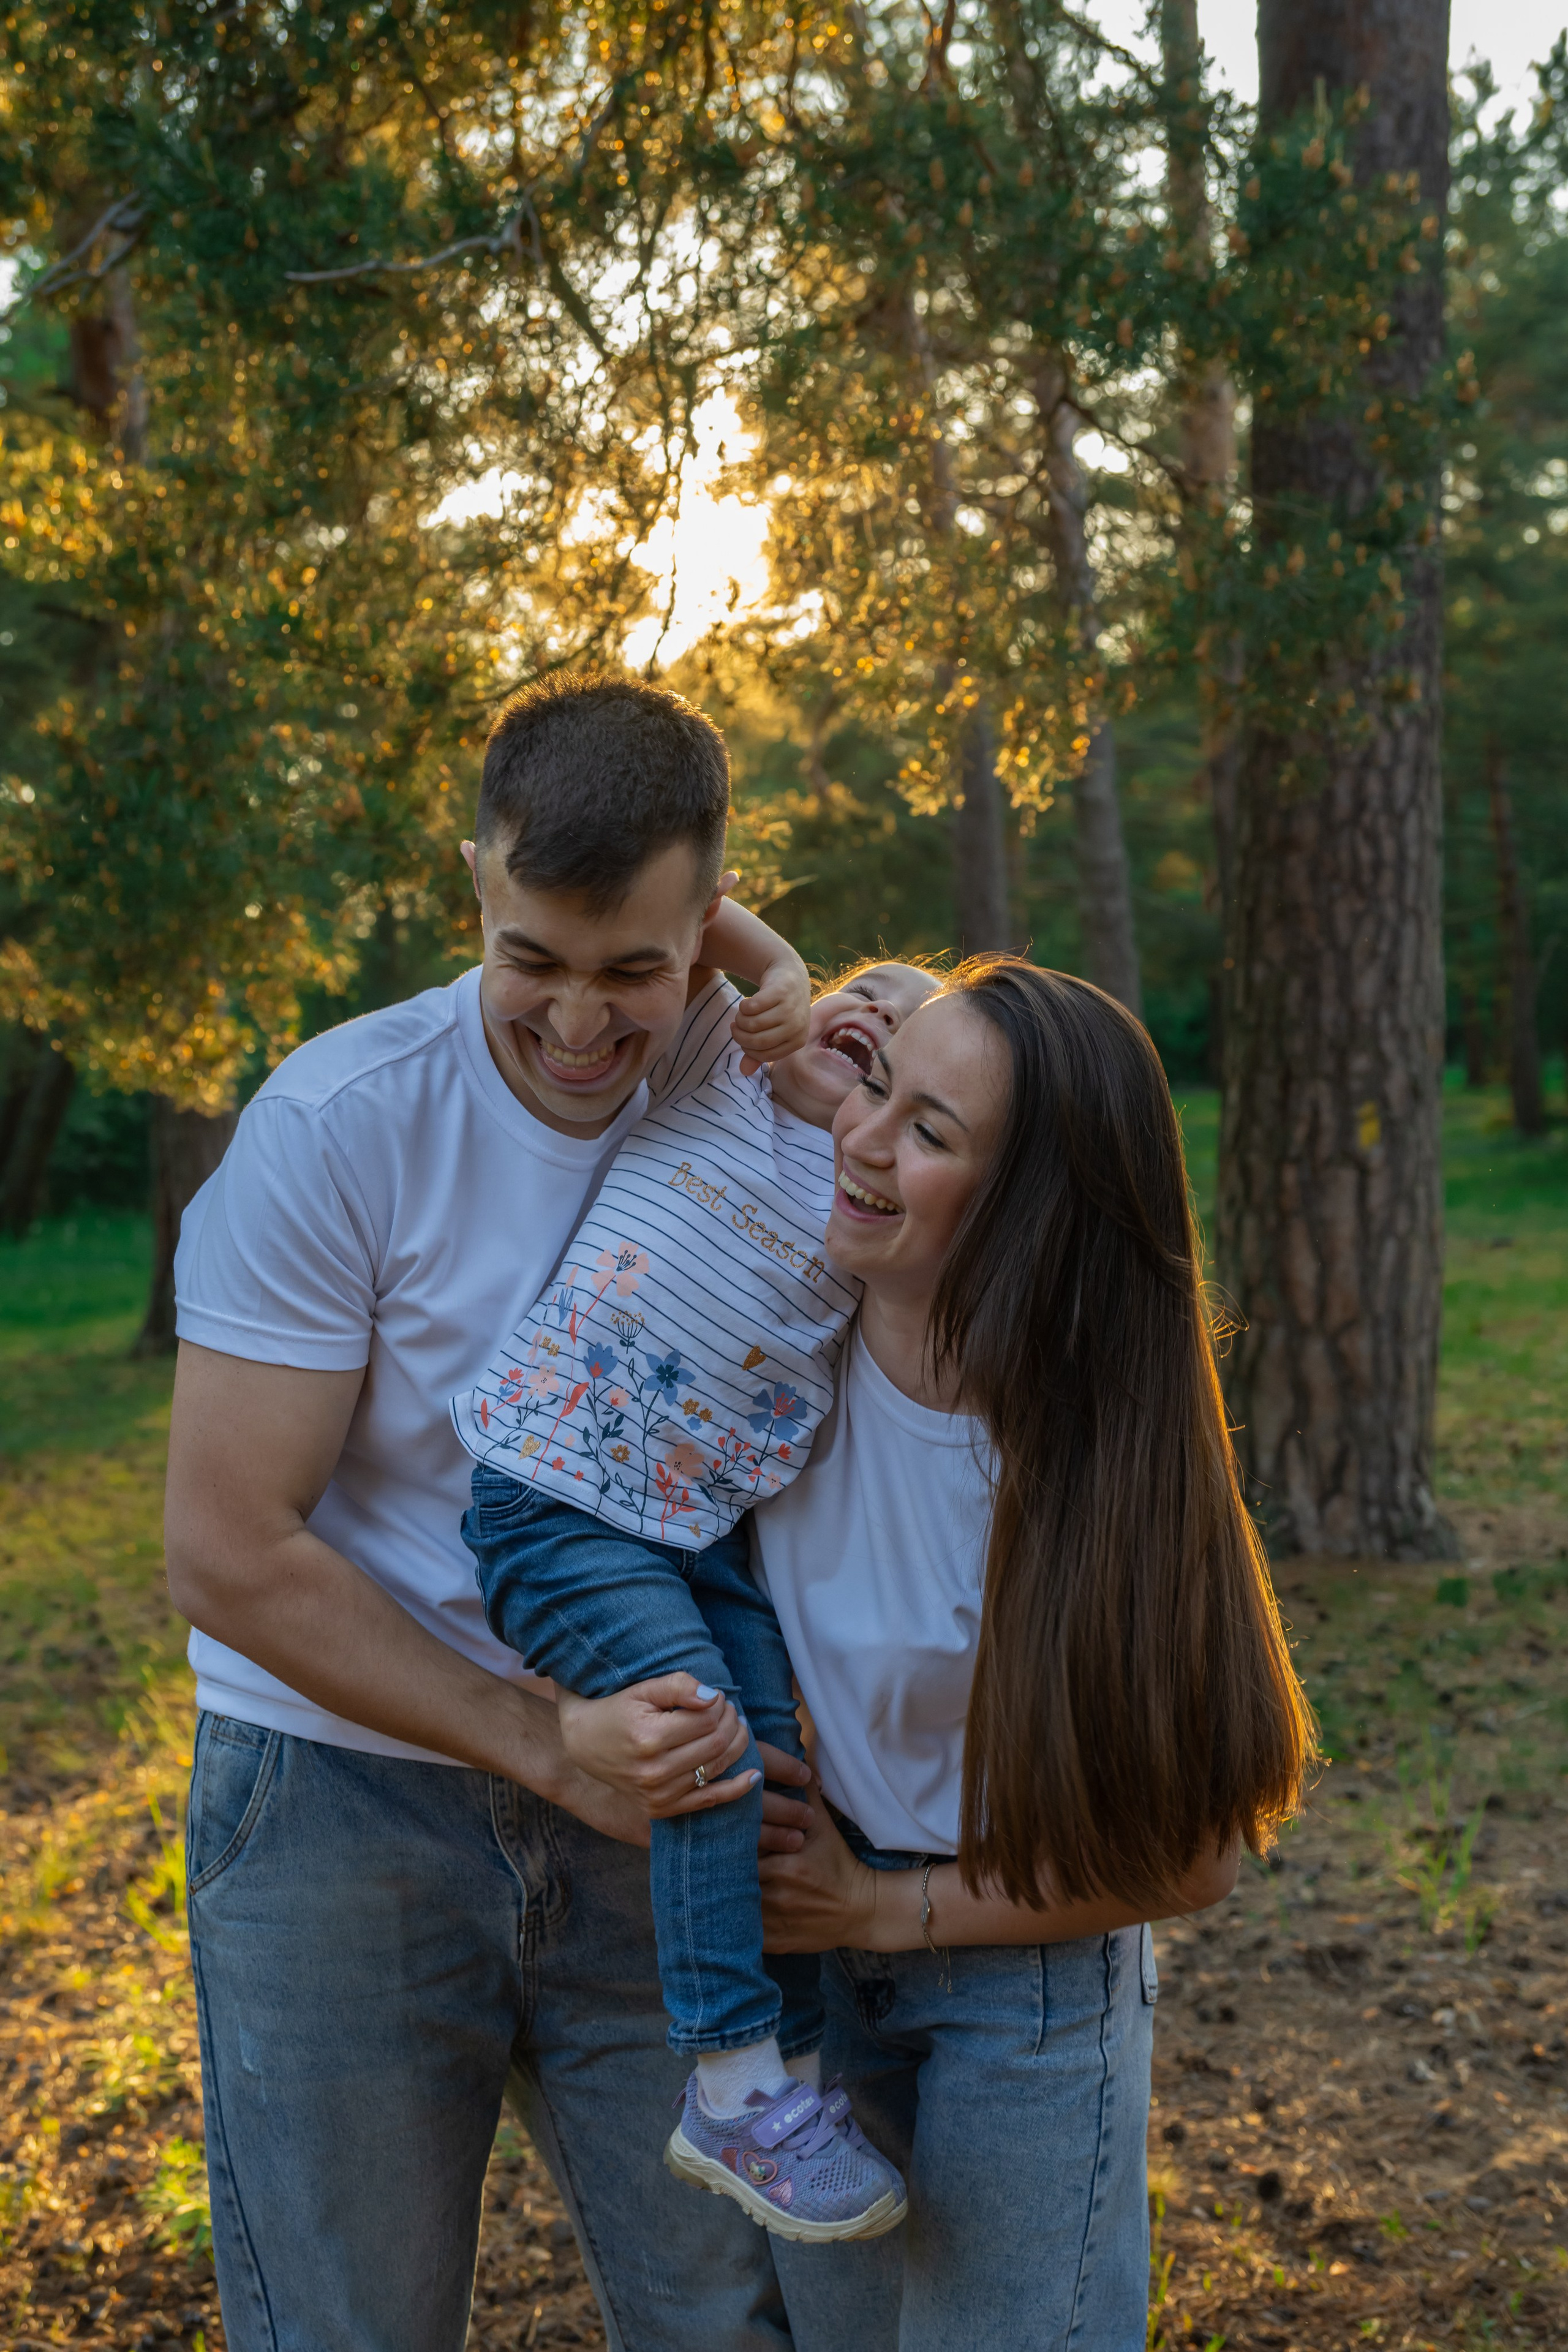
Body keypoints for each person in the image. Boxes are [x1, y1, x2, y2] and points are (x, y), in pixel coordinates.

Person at [162, 673, 820, 2352]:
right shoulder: (336, 1125)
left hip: (654, 1810)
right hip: (339, 1808)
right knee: (345, 2327)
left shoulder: (758, 1089)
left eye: (636, 973)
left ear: (711, 918)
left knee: (736, 2320)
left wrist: (777, 984)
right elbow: (230, 1549)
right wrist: (543, 1745)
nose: (584, 1026)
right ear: (478, 886)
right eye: (534, 960)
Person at [559, 957, 1316, 2350]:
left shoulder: (1093, 1456)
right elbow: (689, 963)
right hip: (811, 1969)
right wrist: (828, 1004)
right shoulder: (776, 1337)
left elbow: (1194, 1858)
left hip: (1023, 1968)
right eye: (875, 1096)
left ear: (1030, 1206)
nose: (859, 1141)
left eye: (928, 1133)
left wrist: (879, 1911)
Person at [454, 956, 937, 2242]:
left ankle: (781, 2068)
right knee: (707, 1733)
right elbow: (701, 907)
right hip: (558, 1497)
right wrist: (784, 979)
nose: (875, 1017)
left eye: (902, 1036)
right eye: (865, 992)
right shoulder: (714, 1069)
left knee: (777, 1760)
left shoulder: (868, 1188)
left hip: (696, 1527)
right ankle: (726, 2083)